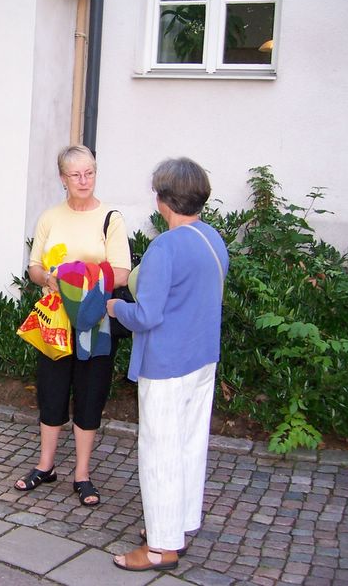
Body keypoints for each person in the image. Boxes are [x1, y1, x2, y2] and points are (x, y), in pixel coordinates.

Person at [107, 158, 228, 572]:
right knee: (190, 447)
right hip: (202, 358)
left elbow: (147, 315)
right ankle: (177, 527)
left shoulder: (164, 247)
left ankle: (160, 548)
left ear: (163, 200)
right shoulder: (212, 238)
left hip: (166, 365)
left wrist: (116, 308)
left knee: (160, 454)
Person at [13, 145, 130, 507]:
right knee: (51, 391)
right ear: (62, 178)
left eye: (89, 172)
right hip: (56, 320)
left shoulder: (110, 218)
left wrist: (76, 278)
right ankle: (45, 466)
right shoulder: (50, 217)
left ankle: (82, 474)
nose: (84, 180)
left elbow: (122, 273)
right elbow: (34, 267)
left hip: (95, 322)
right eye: (76, 174)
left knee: (90, 394)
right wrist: (48, 279)